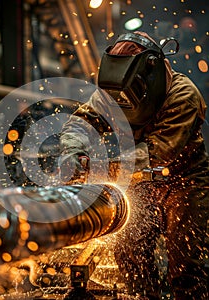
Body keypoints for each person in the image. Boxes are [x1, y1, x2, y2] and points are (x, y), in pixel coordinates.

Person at [59, 31, 209, 299]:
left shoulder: (183, 95)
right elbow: (81, 124)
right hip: (141, 181)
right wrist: (72, 152)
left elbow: (158, 153)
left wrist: (99, 168)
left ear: (150, 77)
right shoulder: (110, 93)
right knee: (132, 257)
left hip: (185, 181)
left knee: (186, 267)